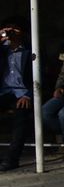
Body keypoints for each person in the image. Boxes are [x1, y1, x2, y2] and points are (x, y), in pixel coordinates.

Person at [0, 19, 34, 172]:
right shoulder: (2, 49)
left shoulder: (30, 49)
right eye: (8, 29)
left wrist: (28, 94)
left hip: (23, 93)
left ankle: (12, 160)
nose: (11, 32)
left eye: (15, 30)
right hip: (4, 91)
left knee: (20, 121)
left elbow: (39, 75)